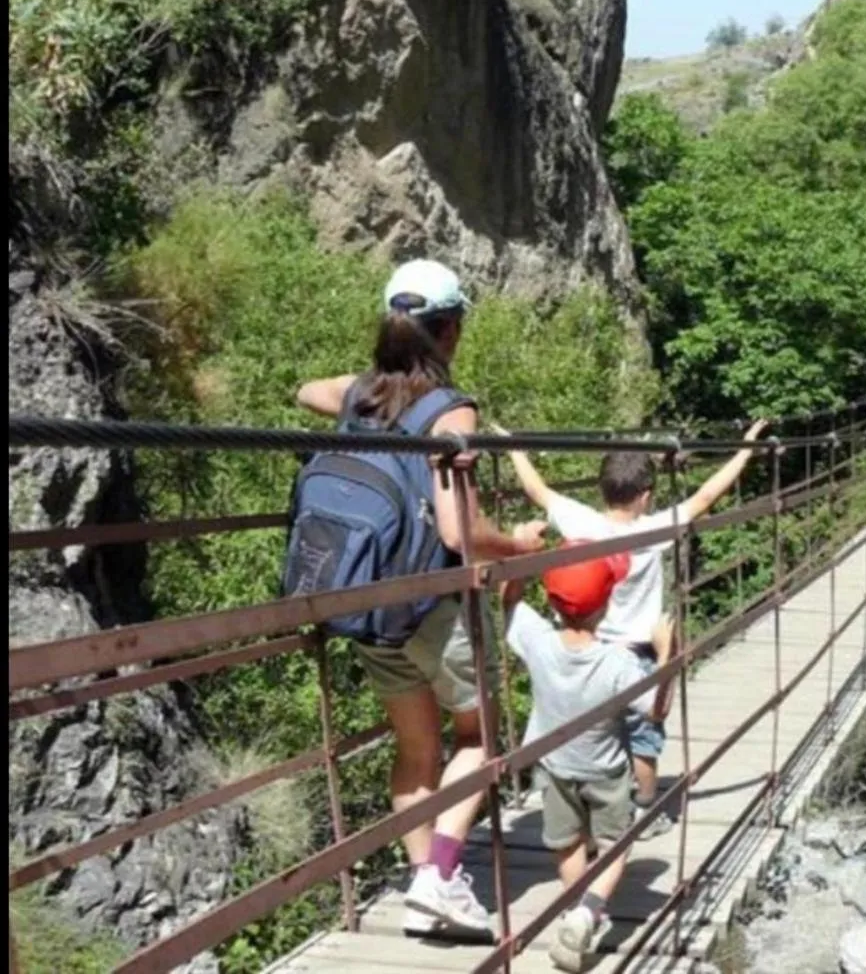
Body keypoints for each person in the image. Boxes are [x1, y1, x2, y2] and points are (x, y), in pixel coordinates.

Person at [296, 258, 546, 937]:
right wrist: (520, 546)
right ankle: (438, 875)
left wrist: (358, 394)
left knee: (414, 751)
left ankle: (424, 885)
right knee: (483, 733)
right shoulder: (449, 410)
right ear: (452, 329)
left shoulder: (360, 396)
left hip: (367, 600)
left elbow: (304, 391)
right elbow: (458, 529)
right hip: (431, 607)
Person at [498, 419, 770, 837]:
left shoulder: (580, 522)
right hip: (640, 649)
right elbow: (705, 496)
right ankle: (646, 808)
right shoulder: (652, 530)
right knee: (644, 733)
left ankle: (581, 805)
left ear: (602, 489)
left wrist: (513, 445)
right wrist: (745, 450)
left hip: (591, 645)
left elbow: (537, 490)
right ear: (645, 497)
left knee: (592, 727)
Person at [500, 541, 646, 971]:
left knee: (565, 844)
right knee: (617, 845)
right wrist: (669, 649)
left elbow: (508, 601)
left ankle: (575, 910)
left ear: (551, 600)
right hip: (606, 770)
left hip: (555, 765)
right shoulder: (618, 663)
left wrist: (523, 553)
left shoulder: (538, 641)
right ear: (606, 606)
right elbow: (656, 706)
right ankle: (588, 913)